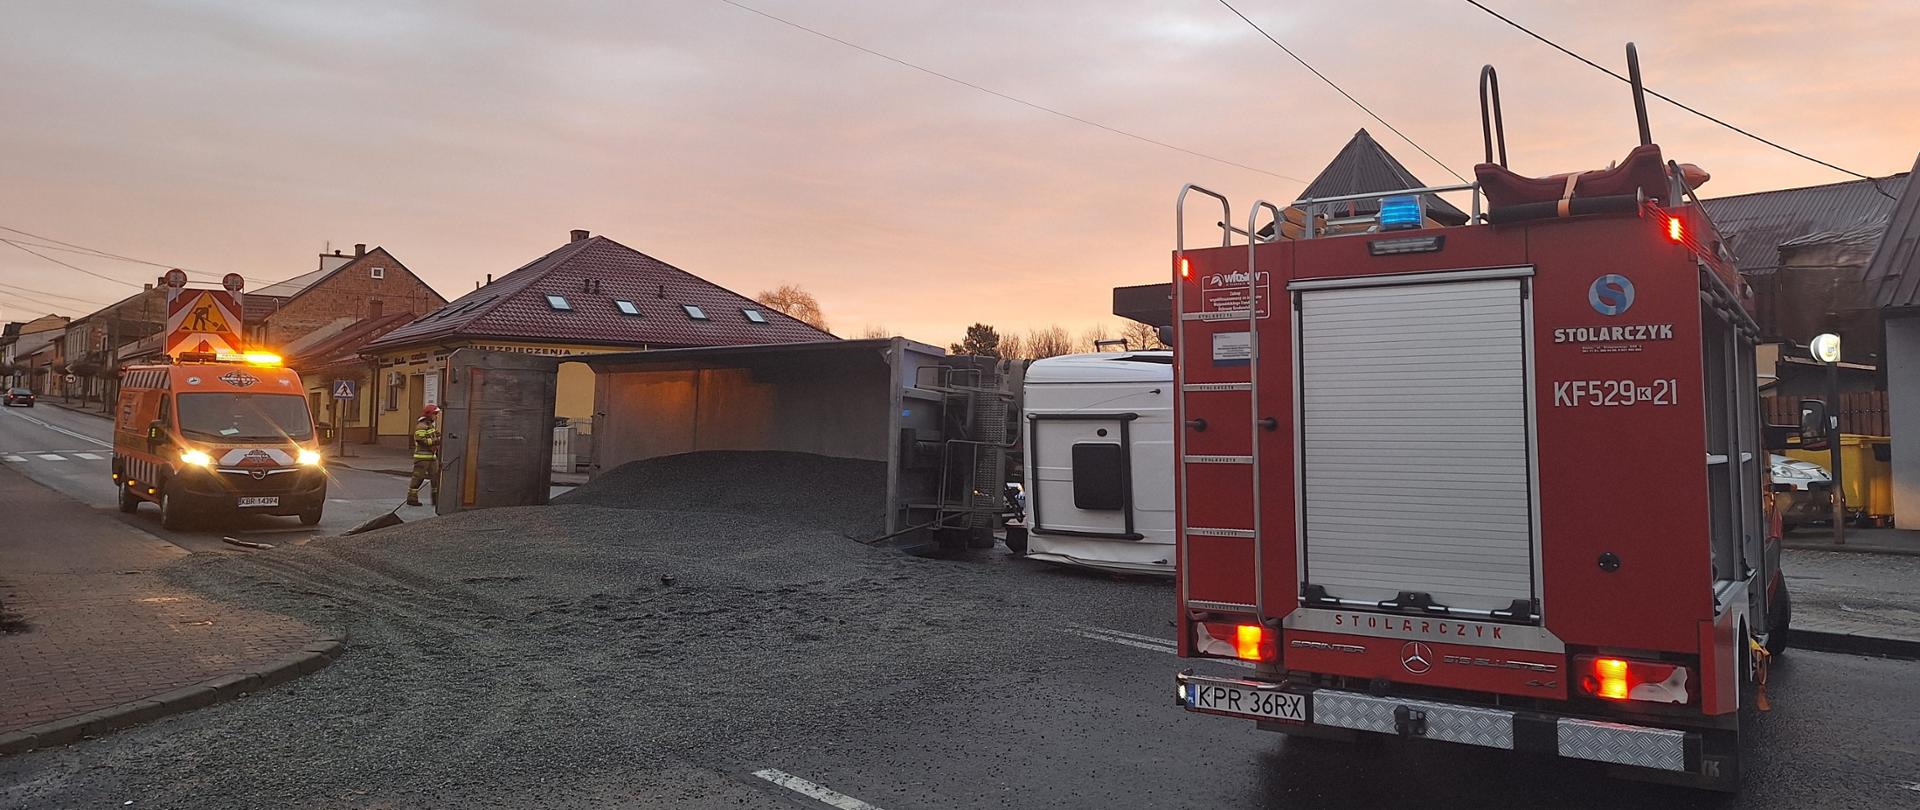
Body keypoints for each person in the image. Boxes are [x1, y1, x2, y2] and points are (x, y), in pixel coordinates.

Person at [406, 404, 441, 506]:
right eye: (435, 414)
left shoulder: (430, 425)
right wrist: (436, 441)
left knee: (435, 478)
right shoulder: (421, 426)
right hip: (422, 458)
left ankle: (436, 499)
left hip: (432, 457)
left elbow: (437, 434)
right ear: (429, 414)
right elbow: (421, 440)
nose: (436, 416)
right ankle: (412, 498)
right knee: (418, 478)